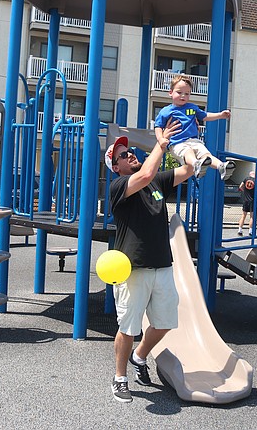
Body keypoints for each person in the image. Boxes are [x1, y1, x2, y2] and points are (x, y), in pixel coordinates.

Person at [104, 119, 194, 403]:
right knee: (128, 327)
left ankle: (140, 356)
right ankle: (119, 379)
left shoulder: (156, 180)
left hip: (162, 264)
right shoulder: (119, 187)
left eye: (129, 150)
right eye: (122, 154)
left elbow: (188, 170)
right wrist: (161, 143)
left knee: (166, 322)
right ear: (116, 167)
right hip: (133, 268)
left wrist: (189, 147)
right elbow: (143, 176)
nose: (129, 153)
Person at [154, 74, 235, 181]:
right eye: (179, 92)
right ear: (170, 93)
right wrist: (160, 139)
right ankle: (196, 164)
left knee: (206, 154)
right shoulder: (166, 111)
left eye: (187, 94)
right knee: (188, 152)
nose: (183, 96)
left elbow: (205, 116)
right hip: (177, 142)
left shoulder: (192, 108)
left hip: (194, 140)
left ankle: (221, 166)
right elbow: (158, 126)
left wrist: (220, 115)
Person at [237, 170, 257, 236]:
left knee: (243, 215)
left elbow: (240, 187)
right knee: (252, 217)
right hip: (253, 200)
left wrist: (245, 191)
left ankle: (240, 230)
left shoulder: (246, 179)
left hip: (245, 200)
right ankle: (250, 231)